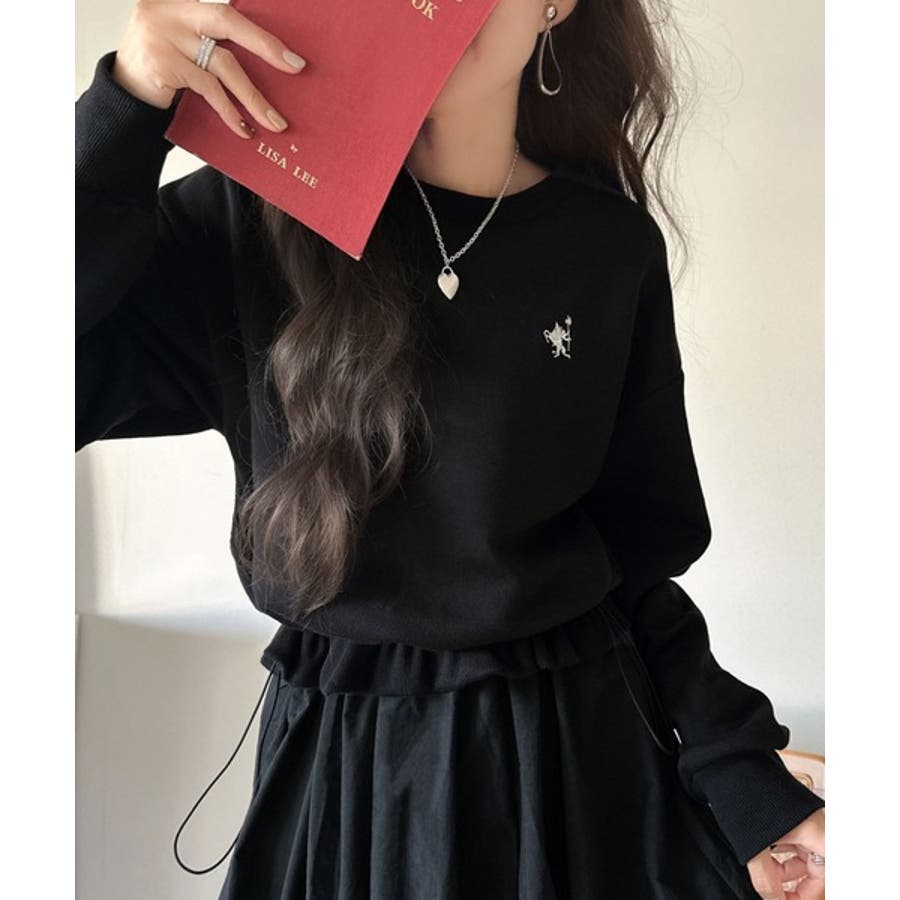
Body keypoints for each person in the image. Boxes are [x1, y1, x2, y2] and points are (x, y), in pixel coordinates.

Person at [75, 1, 826, 897]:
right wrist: (126, 106)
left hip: (578, 768)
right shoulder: (252, 223)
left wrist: (744, 781)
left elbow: (634, 562)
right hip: (344, 789)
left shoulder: (607, 249)